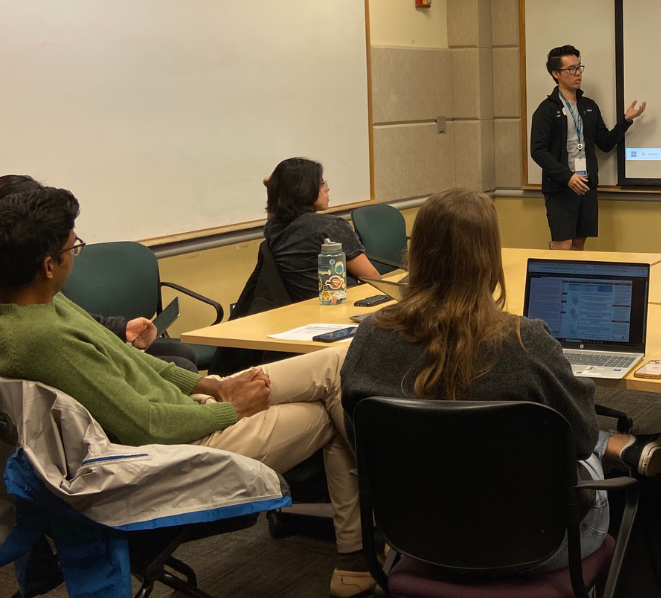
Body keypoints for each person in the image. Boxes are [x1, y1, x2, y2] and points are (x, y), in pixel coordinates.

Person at [0, 184, 375, 598]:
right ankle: (377, 536)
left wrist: (208, 382)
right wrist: (231, 409)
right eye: (75, 248)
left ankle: (362, 555)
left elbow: (132, 360)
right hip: (178, 448)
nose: (77, 255)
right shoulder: (44, 339)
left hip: (189, 411)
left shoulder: (36, 303)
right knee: (329, 409)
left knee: (338, 363)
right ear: (48, 265)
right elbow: (147, 424)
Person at [341, 187, 661, 573]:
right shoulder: (524, 340)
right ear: (489, 259)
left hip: (416, 536)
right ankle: (620, 445)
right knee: (583, 445)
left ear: (415, 253)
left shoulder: (369, 336)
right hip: (537, 544)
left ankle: (616, 444)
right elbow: (580, 438)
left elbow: (359, 439)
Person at [0, 175, 197, 371]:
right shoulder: (27, 282)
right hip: (78, 350)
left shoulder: (40, 283)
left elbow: (76, 317)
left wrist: (121, 328)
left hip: (87, 341)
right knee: (180, 365)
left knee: (180, 353)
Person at [529, 45, 646, 251]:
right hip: (560, 186)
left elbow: (605, 142)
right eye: (571, 69)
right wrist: (567, 177)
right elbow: (538, 151)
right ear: (555, 74)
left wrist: (625, 121)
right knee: (563, 245)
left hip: (586, 184)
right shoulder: (546, 110)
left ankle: (574, 283)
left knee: (579, 243)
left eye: (579, 67)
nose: (578, 73)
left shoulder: (588, 106)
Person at [263, 158, 380, 302]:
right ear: (304, 189)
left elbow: (273, 214)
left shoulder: (273, 229)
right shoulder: (330, 227)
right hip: (344, 305)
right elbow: (373, 278)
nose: (327, 188)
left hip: (303, 309)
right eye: (321, 183)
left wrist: (273, 191)